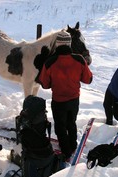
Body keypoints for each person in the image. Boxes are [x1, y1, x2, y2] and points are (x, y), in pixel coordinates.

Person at [38, 30, 93, 161]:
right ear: (69, 44)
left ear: (57, 44)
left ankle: (66, 151)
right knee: (71, 123)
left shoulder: (50, 62)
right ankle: (73, 145)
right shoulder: (79, 59)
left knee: (60, 126)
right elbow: (88, 79)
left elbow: (44, 85)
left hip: (58, 101)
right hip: (74, 100)